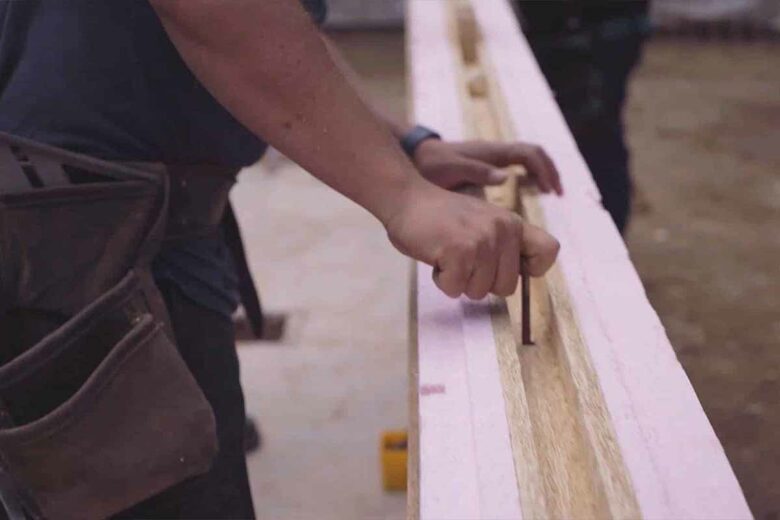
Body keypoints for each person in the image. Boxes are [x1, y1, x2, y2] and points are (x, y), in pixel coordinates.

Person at [0, 0, 562, 517]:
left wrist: (408, 148)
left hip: (116, 234)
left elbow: (276, 23)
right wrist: (402, 196)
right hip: (80, 259)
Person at [516, 1, 650, 233]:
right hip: (574, 25)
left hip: (591, 28)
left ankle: (603, 241)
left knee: (593, 139)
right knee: (588, 137)